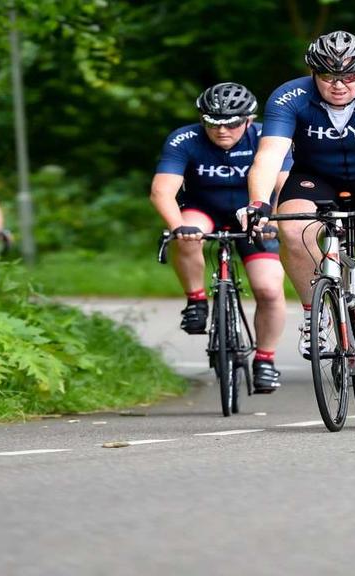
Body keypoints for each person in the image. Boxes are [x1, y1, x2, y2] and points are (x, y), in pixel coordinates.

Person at [238, 30, 355, 388]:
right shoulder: (290, 96)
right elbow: (269, 155)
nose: (339, 86)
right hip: (315, 177)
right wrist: (257, 203)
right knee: (291, 228)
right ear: (312, 72)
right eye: (328, 76)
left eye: (350, 77)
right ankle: (313, 316)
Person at [150, 82, 291, 394]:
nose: (222, 131)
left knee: (268, 289)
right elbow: (162, 191)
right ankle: (196, 300)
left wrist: (275, 219)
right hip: (204, 209)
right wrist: (177, 227)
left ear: (249, 121)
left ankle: (265, 360)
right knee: (187, 235)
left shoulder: (266, 138)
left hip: (255, 214)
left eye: (231, 124)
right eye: (213, 124)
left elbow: (284, 185)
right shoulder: (185, 139)